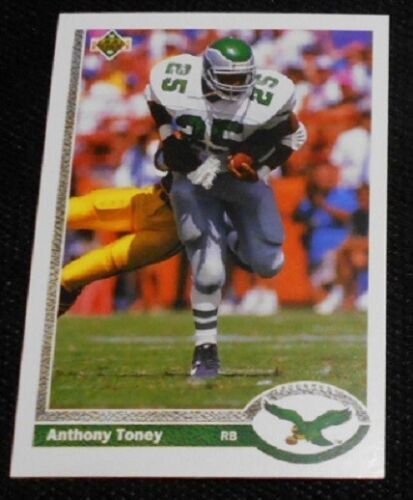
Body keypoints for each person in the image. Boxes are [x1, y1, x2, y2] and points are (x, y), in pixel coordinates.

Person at [145, 36, 306, 378]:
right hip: (193, 177)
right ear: (207, 72)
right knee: (209, 272)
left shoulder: (268, 96)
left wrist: (261, 168)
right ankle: (205, 350)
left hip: (236, 179)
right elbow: (153, 97)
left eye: (243, 77)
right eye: (229, 78)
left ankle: (234, 242)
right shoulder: (177, 81)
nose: (237, 85)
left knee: (270, 264)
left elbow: (294, 135)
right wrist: (167, 137)